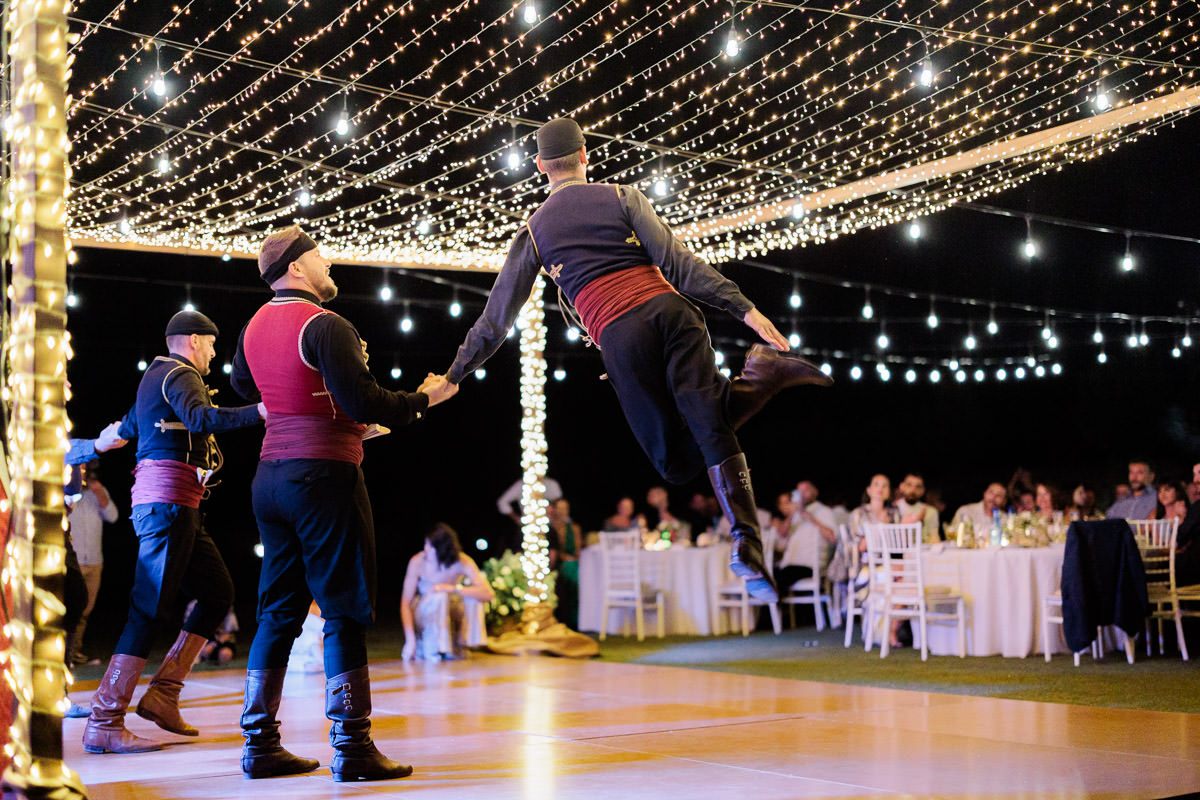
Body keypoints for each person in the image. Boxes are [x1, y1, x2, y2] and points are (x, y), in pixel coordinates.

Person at [441, 117, 831, 602]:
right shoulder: (624, 196)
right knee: (711, 426)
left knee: (673, 463)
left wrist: (455, 373)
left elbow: (496, 319)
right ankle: (749, 513)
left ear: (541, 166)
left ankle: (749, 537)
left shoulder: (535, 231)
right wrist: (743, 308)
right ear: (586, 155)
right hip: (674, 313)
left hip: (623, 338)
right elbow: (679, 265)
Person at [231, 224, 457, 782]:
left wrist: (311, 407)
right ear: (298, 269)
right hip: (324, 476)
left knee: (277, 609)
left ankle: (258, 746)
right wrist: (424, 399)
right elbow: (363, 399)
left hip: (270, 478)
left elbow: (243, 386)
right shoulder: (325, 324)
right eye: (319, 257)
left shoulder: (253, 326)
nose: (328, 264)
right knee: (344, 607)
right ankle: (353, 748)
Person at [83, 311, 266, 755]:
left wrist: (97, 444)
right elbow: (201, 419)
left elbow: (125, 431)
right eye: (210, 344)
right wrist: (261, 410)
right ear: (191, 341)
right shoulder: (180, 374)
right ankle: (104, 719)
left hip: (175, 506)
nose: (213, 353)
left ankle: (163, 696)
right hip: (166, 506)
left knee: (218, 593)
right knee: (148, 610)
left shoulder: (154, 378)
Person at [400, 524, 495, 661]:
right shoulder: (418, 562)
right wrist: (410, 641)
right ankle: (432, 647)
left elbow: (487, 594)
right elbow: (405, 603)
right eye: (426, 545)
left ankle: (461, 644)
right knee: (439, 597)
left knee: (472, 597)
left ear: (442, 550)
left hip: (452, 610)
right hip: (425, 611)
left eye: (430, 547)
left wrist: (451, 588)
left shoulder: (462, 561)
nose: (426, 549)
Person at [66, 461, 118, 665]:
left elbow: (112, 516)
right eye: (81, 468)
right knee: (72, 607)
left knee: (86, 610)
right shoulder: (69, 491)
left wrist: (98, 491)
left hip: (95, 560)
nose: (85, 472)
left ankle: (74, 652)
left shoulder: (97, 491)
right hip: (75, 560)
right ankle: (64, 653)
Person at [774, 480, 836, 593]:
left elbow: (832, 538)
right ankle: (774, 609)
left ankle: (778, 610)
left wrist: (811, 518)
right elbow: (781, 535)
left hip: (810, 566)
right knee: (766, 574)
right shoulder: (796, 515)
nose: (801, 494)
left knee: (777, 578)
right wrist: (792, 514)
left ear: (815, 492)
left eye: (806, 490)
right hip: (790, 565)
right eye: (799, 491)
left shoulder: (825, 511)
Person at [547, 498, 581, 628]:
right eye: (559, 508)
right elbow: (554, 550)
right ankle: (571, 620)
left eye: (564, 508)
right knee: (571, 570)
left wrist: (574, 558)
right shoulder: (550, 528)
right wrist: (567, 558)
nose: (561, 512)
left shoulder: (574, 528)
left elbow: (577, 550)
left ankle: (574, 619)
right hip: (559, 564)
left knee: (574, 568)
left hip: (572, 564)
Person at [895, 473, 940, 543]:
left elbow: (935, 539)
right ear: (902, 486)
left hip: (924, 552)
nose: (913, 490)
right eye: (909, 485)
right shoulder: (894, 509)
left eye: (918, 487)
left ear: (923, 490)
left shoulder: (930, 511)